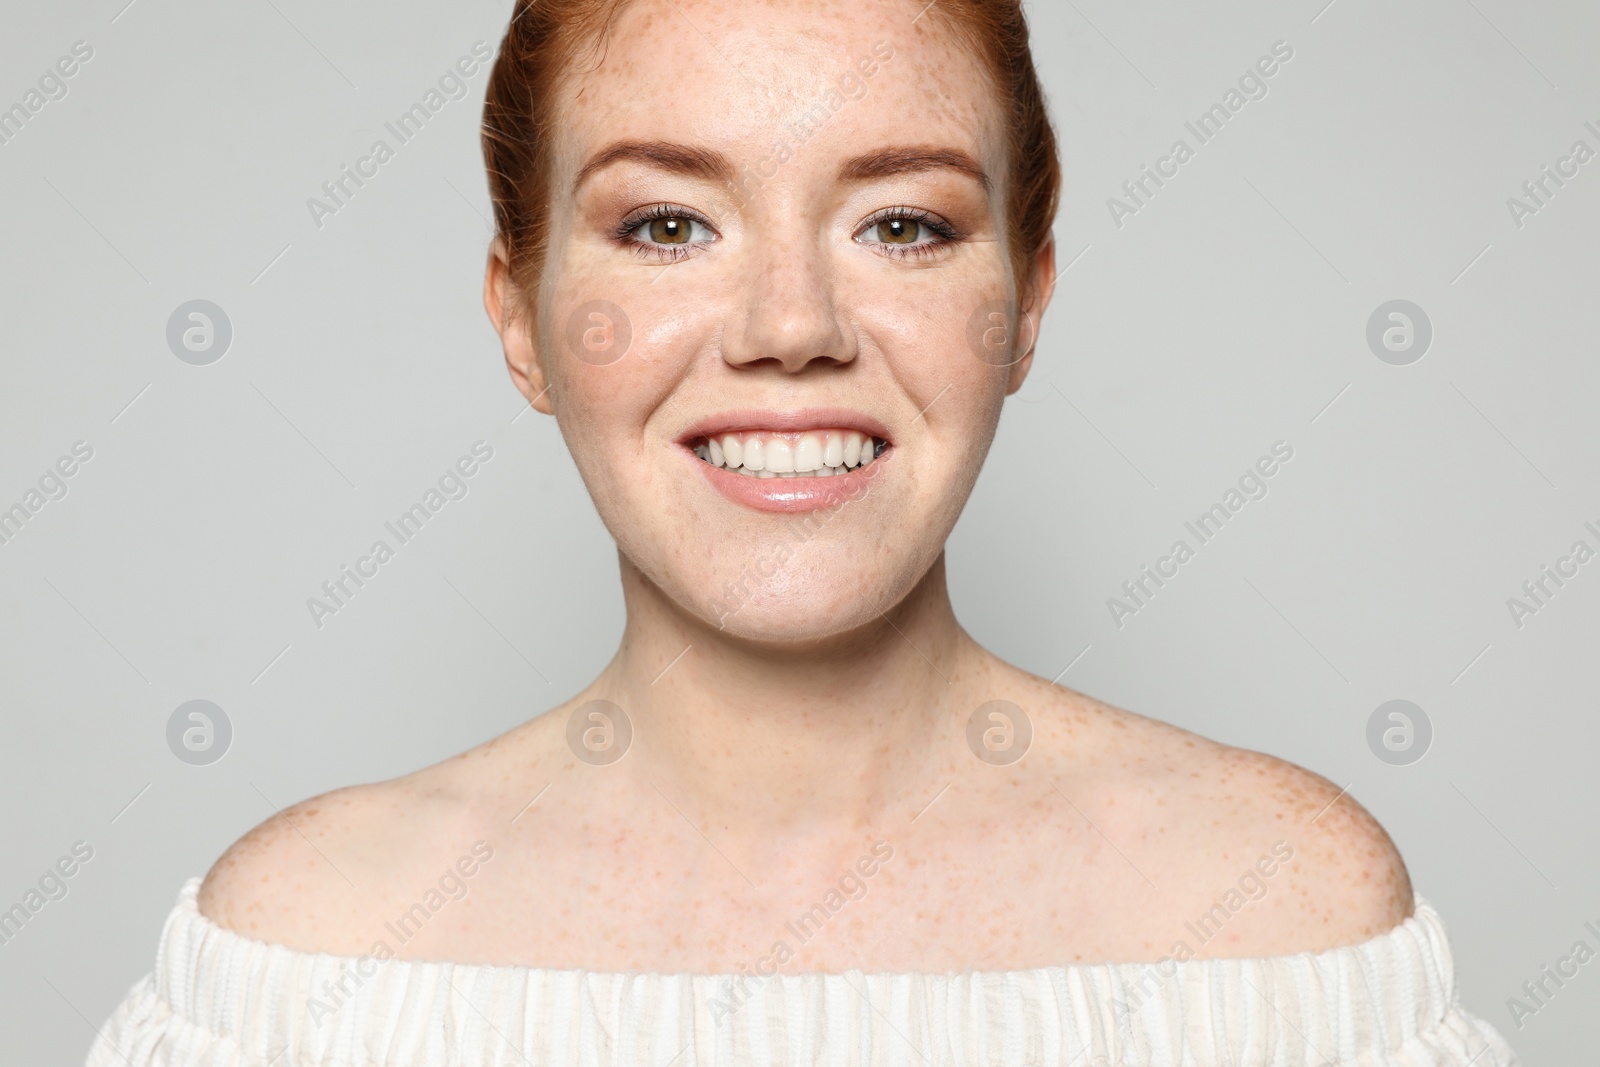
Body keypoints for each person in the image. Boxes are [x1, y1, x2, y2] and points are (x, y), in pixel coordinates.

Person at [87, 0, 1519, 1063]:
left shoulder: (1284, 929)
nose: (791, 330)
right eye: (666, 226)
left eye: (901, 224)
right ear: (520, 317)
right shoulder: (298, 971)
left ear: (1026, 299)